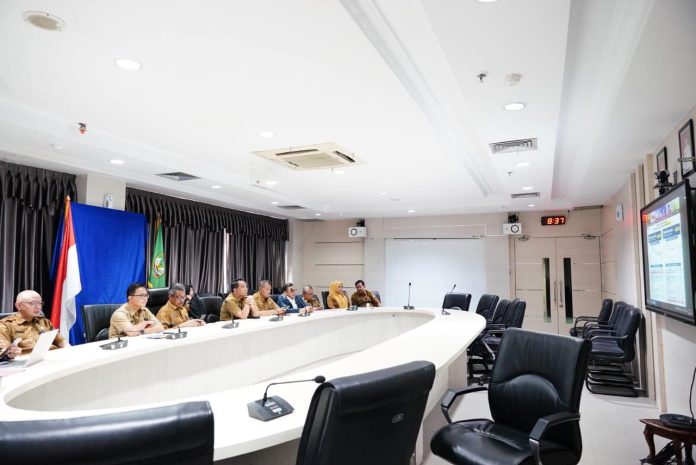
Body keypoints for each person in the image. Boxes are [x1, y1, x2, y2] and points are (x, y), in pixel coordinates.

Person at [0, 290, 68, 357]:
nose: (38, 307)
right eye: (33, 303)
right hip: (25, 359)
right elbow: (5, 353)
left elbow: (63, 343)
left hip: (51, 356)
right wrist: (10, 353)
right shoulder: (5, 325)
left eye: (40, 303)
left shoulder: (44, 321)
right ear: (19, 306)